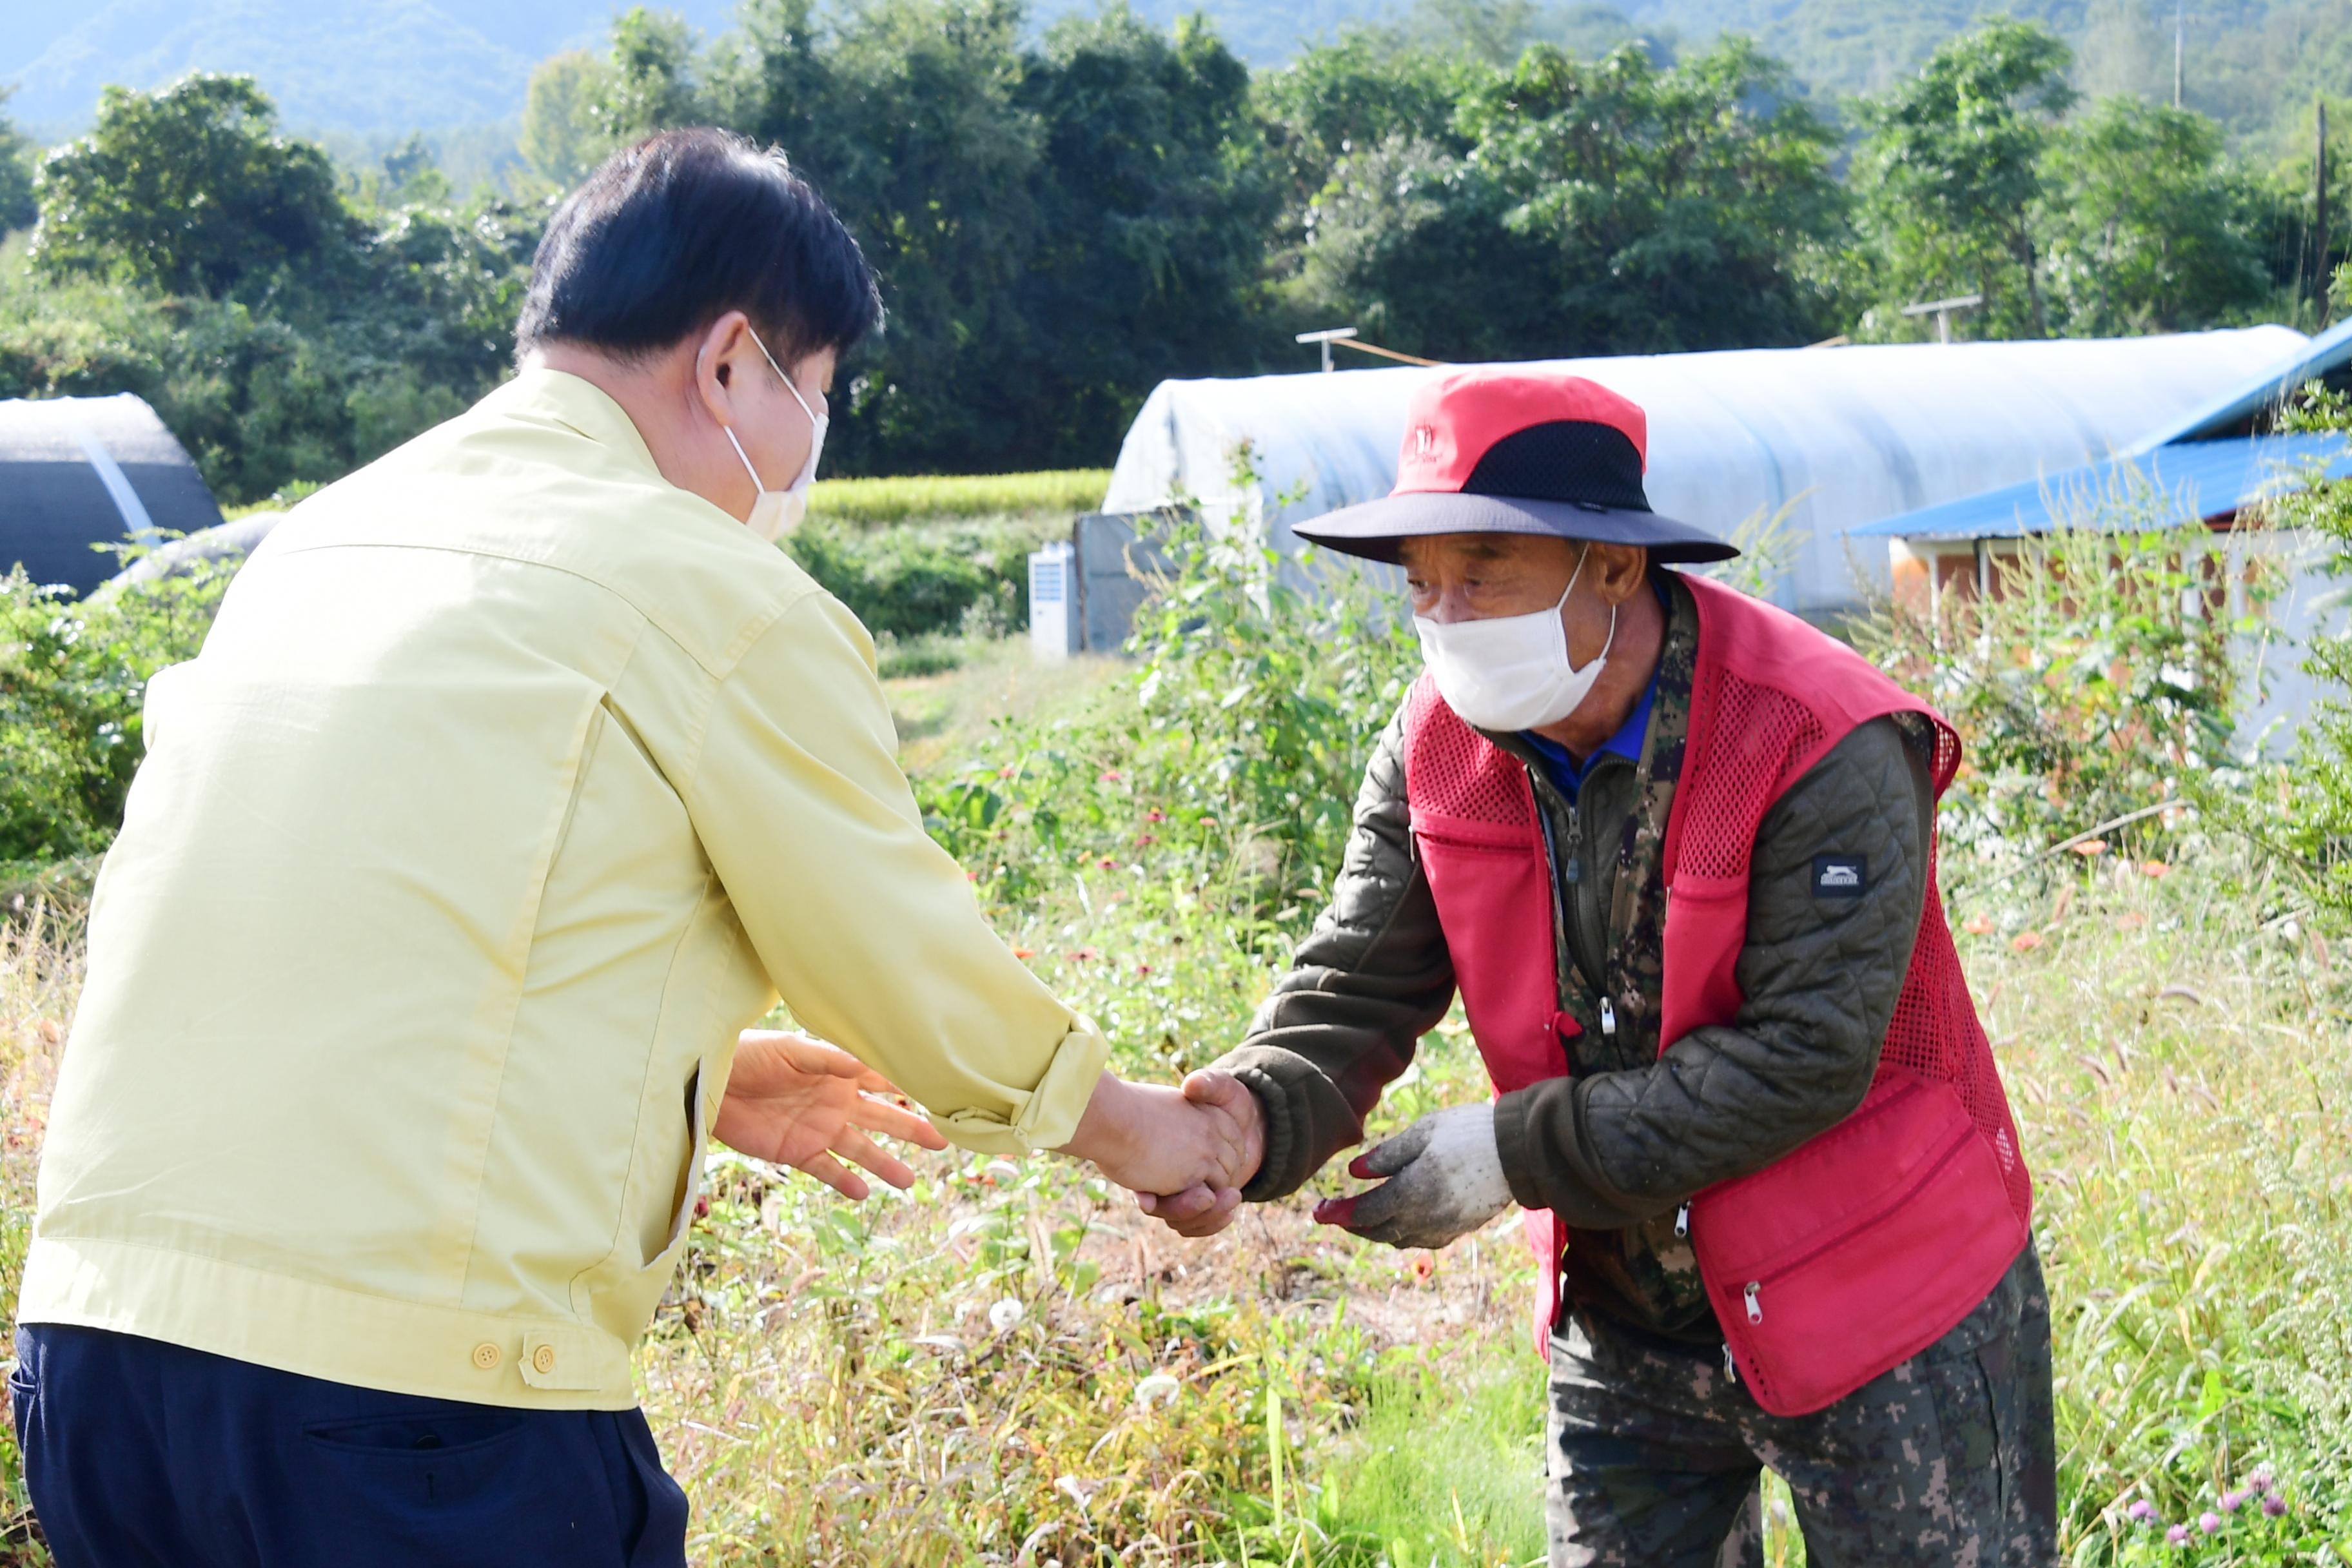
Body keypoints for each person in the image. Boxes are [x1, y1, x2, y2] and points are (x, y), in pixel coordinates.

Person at [10, 129, 1255, 1567]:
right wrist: (1154, 1135)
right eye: (820, 397)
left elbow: (325, 905)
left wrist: (691, 1074)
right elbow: (908, 963)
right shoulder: (705, 589)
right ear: (732, 363)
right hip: (406, 1410)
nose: (805, 455)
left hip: (99, 1366)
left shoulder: (321, 543)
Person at [1153, 368, 2056, 1566]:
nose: (1448, 614)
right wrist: (1253, 1111)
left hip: (1883, 1297)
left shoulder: (1815, 736)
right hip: (1631, 1313)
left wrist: (1508, 1153)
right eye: (1423, 581)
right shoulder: (1439, 743)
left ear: (1615, 566)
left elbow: (1805, 1058)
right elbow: (1361, 975)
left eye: (1486, 573)